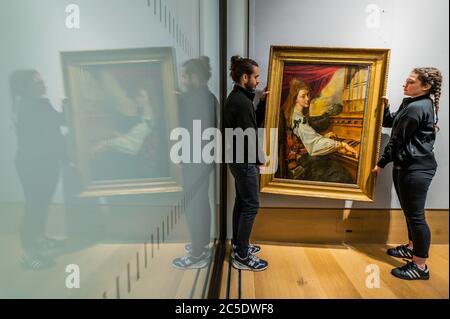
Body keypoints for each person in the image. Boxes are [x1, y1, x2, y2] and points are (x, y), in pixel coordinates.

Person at [372, 67, 443, 280]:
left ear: (425, 86)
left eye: (410, 81)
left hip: (417, 169)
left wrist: (381, 163)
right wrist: (386, 108)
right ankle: (412, 247)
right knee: (410, 213)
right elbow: (391, 122)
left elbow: (397, 140)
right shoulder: (411, 103)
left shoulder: (418, 106)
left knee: (416, 217)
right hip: (407, 166)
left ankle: (420, 266)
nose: (405, 84)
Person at [9, 70, 67, 269]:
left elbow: (56, 124)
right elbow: (58, 124)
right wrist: (67, 107)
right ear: (24, 87)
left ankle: (40, 239)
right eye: (37, 82)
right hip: (34, 164)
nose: (43, 84)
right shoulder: (30, 106)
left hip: (43, 162)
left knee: (40, 204)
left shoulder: (35, 104)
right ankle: (29, 254)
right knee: (35, 207)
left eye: (42, 80)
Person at [172, 57, 218, 269]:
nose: (182, 79)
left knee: (194, 206)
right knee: (200, 204)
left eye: (184, 75)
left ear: (195, 76)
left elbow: (190, 130)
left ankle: (198, 253)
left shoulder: (197, 100)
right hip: (201, 159)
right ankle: (201, 245)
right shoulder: (206, 97)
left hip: (196, 160)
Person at [224, 56, 268, 272]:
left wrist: (262, 103)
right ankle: (242, 256)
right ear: (245, 77)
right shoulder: (241, 103)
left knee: (242, 203)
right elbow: (250, 135)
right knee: (251, 205)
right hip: (243, 162)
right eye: (256, 77)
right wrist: (259, 159)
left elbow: (250, 123)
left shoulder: (239, 98)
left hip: (237, 160)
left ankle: (239, 246)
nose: (258, 81)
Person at [280, 78, 357, 183]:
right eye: (303, 96)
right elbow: (313, 145)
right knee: (339, 174)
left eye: (308, 95)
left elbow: (306, 138)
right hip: (300, 161)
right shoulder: (297, 119)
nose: (307, 99)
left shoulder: (297, 115)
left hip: (304, 153)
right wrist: (342, 144)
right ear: (295, 98)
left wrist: (324, 137)